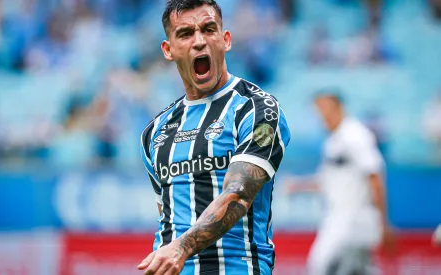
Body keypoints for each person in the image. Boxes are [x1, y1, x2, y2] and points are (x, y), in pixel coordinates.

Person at [138, 1, 291, 274]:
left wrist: (182, 248)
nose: (199, 41)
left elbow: (239, 195)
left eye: (209, 29)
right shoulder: (156, 131)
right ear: (168, 49)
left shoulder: (257, 110)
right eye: (185, 34)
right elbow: (167, 216)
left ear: (225, 39)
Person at [288, 91, 394, 275]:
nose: (321, 115)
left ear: (338, 107)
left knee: (321, 265)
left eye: (323, 109)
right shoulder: (334, 140)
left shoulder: (354, 134)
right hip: (342, 216)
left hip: (352, 217)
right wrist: (298, 186)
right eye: (317, 111)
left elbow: (375, 175)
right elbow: (327, 182)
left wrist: (384, 222)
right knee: (358, 269)